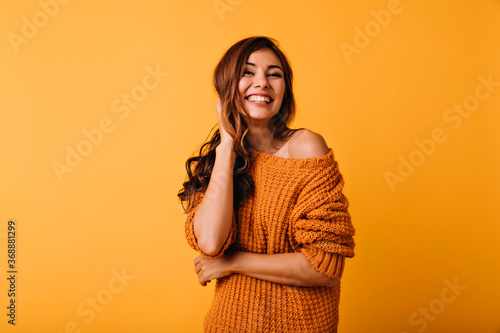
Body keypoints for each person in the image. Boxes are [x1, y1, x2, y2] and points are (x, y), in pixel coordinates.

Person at [178, 36, 355, 332]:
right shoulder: (217, 162)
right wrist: (227, 147)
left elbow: (325, 265)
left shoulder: (306, 149)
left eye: (274, 74)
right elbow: (209, 243)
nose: (262, 82)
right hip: (227, 324)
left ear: (285, 89)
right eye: (248, 72)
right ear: (226, 86)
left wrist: (232, 262)